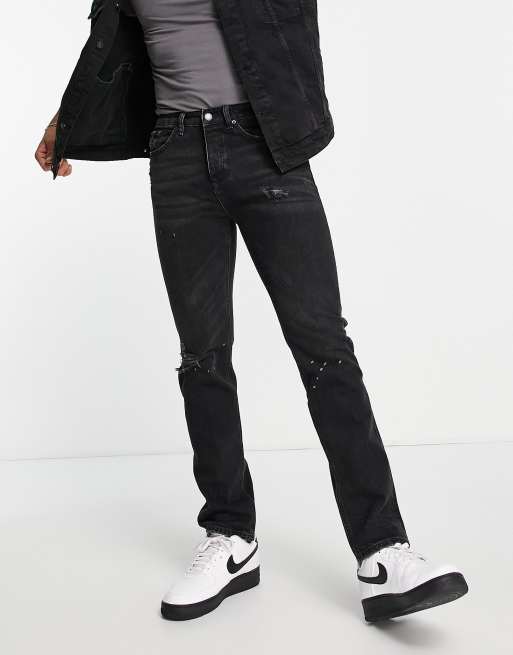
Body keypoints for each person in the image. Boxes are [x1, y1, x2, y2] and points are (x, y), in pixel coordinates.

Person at [35, 0, 468, 622]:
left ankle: (383, 551)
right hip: (177, 155)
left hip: (263, 143)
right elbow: (111, 43)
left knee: (324, 349)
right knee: (202, 356)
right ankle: (230, 536)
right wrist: (67, 119)